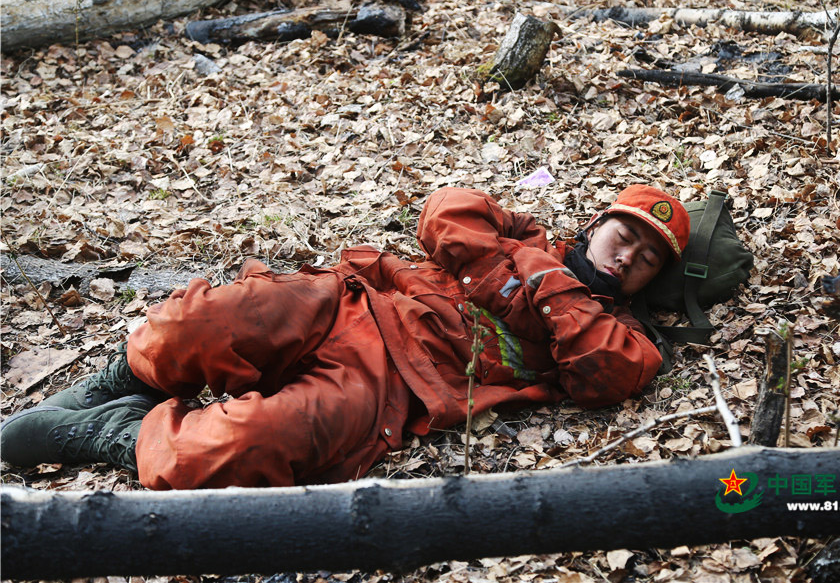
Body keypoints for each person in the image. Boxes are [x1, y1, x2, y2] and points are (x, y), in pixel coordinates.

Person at [1, 185, 689, 489]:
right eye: (624, 235)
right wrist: (533, 262)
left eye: (647, 259)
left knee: (247, 447)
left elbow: (604, 374)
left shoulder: (623, 334)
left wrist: (538, 284)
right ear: (596, 223)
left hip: (390, 385)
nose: (628, 257)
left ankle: (111, 434)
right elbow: (445, 210)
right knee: (201, 319)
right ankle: (124, 381)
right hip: (350, 300)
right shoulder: (529, 235)